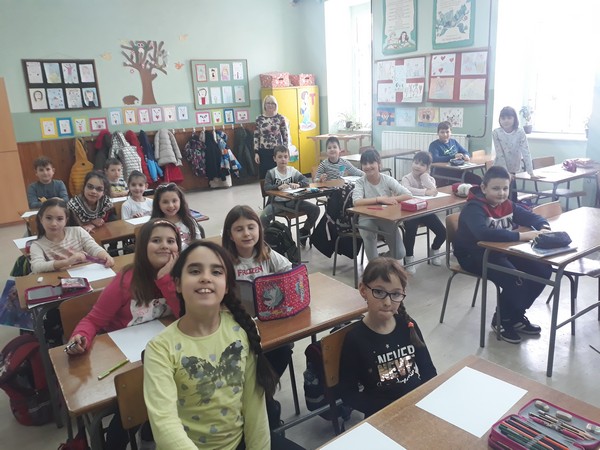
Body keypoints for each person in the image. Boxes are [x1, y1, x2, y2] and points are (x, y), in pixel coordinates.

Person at [144, 241, 301, 449]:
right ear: (178, 284)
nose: (206, 277)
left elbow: (254, 407)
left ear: (226, 286)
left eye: (216, 272)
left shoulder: (240, 330)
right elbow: (165, 425)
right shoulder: (160, 348)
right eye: (194, 271)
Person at [65, 218, 182, 449]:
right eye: (156, 240)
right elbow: (93, 319)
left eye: (171, 241)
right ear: (143, 246)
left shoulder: (180, 277)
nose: (165, 246)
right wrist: (81, 336)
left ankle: (149, 433)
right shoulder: (126, 279)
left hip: (163, 354)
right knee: (135, 400)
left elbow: (185, 317)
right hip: (125, 358)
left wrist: (166, 281)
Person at [453, 166, 553, 344]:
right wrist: (521, 236)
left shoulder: (507, 204)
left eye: (505, 188)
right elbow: (483, 234)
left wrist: (543, 227)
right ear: (484, 188)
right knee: (516, 279)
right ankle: (501, 320)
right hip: (474, 255)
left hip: (502, 251)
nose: (501, 193)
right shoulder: (473, 208)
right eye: (496, 188)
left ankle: (516, 315)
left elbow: (531, 217)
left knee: (543, 270)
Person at [338, 257, 437, 418]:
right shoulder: (356, 338)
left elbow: (428, 371)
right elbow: (349, 394)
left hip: (416, 406)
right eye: (379, 292)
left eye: (395, 294)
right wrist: (388, 410)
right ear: (363, 290)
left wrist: (423, 401)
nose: (387, 302)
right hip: (382, 416)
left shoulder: (408, 325)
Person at [352, 148, 412, 261]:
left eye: (371, 162)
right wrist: (379, 199)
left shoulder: (387, 179)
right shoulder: (360, 182)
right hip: (366, 217)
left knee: (400, 253)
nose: (368, 166)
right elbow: (356, 202)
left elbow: (408, 195)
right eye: (364, 163)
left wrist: (390, 199)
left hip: (386, 217)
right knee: (369, 237)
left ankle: (382, 261)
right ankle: (375, 264)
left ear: (379, 164)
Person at [29, 198, 113, 273]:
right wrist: (67, 262)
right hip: (60, 280)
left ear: (66, 220)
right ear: (41, 219)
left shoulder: (78, 232)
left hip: (85, 275)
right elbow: (36, 267)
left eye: (60, 219)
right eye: (48, 218)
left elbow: (93, 248)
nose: (54, 224)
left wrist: (106, 256)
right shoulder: (37, 245)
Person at [260, 145, 320, 246]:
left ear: (288, 158)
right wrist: (278, 186)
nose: (283, 159)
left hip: (293, 202)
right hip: (277, 203)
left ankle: (304, 231)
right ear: (274, 159)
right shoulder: (271, 173)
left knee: (315, 209)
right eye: (280, 157)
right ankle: (270, 237)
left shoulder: (292, 171)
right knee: (263, 217)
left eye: (285, 156)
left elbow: (306, 181)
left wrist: (298, 184)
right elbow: (266, 187)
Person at [400, 151, 446, 274]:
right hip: (410, 212)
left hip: (425, 212)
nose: (418, 166)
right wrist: (425, 192)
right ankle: (409, 258)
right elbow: (407, 191)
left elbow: (434, 190)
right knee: (410, 231)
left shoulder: (429, 178)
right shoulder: (406, 178)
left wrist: (424, 177)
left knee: (442, 232)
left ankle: (434, 249)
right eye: (416, 163)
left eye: (422, 165)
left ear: (427, 167)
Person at [492, 106, 535, 202]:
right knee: (502, 197)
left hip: (513, 169)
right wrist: (506, 172)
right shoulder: (496, 132)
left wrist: (531, 172)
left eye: (509, 118)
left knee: (512, 197)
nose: (506, 121)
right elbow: (500, 154)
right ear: (499, 119)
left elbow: (526, 151)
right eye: (503, 118)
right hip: (500, 169)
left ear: (514, 119)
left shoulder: (520, 132)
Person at [151, 182, 202, 249]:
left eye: (174, 201)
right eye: (165, 202)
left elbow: (199, 244)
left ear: (180, 201)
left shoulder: (189, 221)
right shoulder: (154, 225)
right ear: (158, 204)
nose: (171, 205)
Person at [428, 121, 479, 186]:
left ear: (451, 132)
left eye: (447, 132)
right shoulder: (434, 145)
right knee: (473, 180)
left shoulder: (453, 142)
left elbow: (464, 151)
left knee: (477, 180)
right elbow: (435, 159)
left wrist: (466, 155)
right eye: (442, 132)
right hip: (443, 171)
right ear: (438, 133)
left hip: (457, 169)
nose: (445, 134)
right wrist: (453, 156)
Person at [254, 95, 289, 179]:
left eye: (272, 103)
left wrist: (285, 152)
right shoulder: (259, 119)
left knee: (278, 175)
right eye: (268, 103)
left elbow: (285, 135)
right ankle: (266, 188)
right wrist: (256, 153)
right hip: (263, 151)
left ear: (275, 105)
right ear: (264, 105)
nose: (270, 105)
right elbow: (256, 136)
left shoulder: (280, 118)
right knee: (264, 175)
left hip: (277, 152)